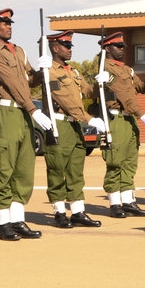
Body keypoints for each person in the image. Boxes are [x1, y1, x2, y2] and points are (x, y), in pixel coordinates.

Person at [0, 8, 53, 241]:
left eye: (10, 23)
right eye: (3, 23)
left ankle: (17, 219)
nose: (8, 26)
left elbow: (28, 82)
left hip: (24, 114)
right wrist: (33, 109)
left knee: (24, 170)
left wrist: (43, 70)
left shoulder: (19, 51)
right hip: (9, 112)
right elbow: (12, 83)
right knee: (4, 168)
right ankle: (3, 223)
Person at [40, 31, 105, 228]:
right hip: (59, 123)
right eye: (66, 46)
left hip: (74, 124)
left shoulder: (74, 72)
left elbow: (86, 91)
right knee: (57, 170)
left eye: (70, 46)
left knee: (76, 170)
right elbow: (64, 100)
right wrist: (88, 118)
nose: (69, 50)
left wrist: (101, 82)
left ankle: (77, 212)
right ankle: (59, 212)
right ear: (55, 48)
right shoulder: (49, 71)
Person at [95, 31, 145, 218]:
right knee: (115, 162)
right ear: (107, 48)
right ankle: (115, 203)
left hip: (129, 119)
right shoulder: (104, 69)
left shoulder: (126, 69)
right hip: (116, 119)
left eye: (123, 46)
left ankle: (129, 201)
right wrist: (142, 114)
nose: (122, 49)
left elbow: (139, 87)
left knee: (130, 162)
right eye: (118, 46)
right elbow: (122, 94)